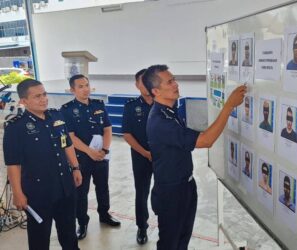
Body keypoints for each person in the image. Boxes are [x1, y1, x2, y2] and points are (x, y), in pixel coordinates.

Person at [143, 64, 246, 250]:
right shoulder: (160, 121)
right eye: (170, 82)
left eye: (174, 79)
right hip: (171, 193)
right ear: (155, 91)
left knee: (182, 240)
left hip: (185, 186)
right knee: (169, 243)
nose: (176, 84)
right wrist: (229, 105)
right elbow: (206, 140)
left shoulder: (170, 112)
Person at [3, 79, 82, 250]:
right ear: (24, 101)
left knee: (69, 235)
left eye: (44, 94)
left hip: (65, 187)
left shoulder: (56, 116)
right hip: (38, 193)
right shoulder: (15, 127)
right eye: (37, 96)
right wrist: (17, 193)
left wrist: (75, 168)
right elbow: (13, 164)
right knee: (39, 240)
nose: (44, 99)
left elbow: (66, 144)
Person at [61, 74, 120, 240]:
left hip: (101, 155)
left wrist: (105, 150)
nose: (85, 89)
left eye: (86, 85)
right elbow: (70, 136)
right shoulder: (66, 110)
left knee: (103, 187)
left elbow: (108, 129)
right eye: (80, 86)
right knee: (81, 191)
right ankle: (82, 222)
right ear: (72, 90)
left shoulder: (98, 105)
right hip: (81, 157)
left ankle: (104, 215)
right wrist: (90, 151)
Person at [122, 69, 153, 245]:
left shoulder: (164, 103)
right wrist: (145, 153)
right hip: (141, 157)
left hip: (163, 158)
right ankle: (142, 227)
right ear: (137, 85)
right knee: (141, 193)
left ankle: (167, 222)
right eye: (143, 81)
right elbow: (126, 134)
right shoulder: (131, 106)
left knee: (165, 192)